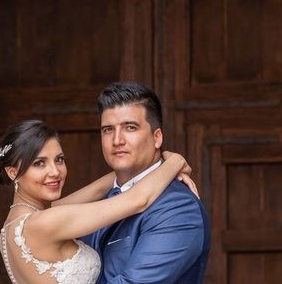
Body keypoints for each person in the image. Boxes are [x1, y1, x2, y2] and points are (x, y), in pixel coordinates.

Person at [0, 119, 198, 284]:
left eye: (59, 159)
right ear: (12, 172)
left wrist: (159, 159)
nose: (55, 172)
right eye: (39, 163)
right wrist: (177, 161)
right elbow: (138, 200)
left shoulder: (13, 226)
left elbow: (102, 186)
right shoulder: (45, 222)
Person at [81, 81, 210, 283]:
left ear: (157, 137)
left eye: (130, 127)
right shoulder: (98, 200)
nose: (117, 140)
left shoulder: (178, 208)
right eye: (107, 130)